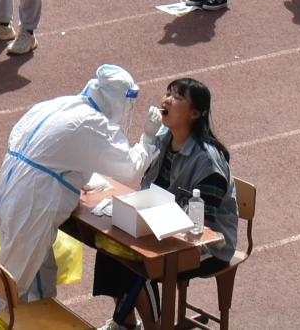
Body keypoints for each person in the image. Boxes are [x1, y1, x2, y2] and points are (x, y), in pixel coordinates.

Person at [0, 64, 145, 314]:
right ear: (116, 99)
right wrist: (150, 140)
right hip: (33, 202)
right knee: (12, 284)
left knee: (38, 275)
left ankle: (36, 320)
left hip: (10, 187)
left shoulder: (59, 104)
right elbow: (130, 169)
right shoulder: (91, 122)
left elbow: (49, 150)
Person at [90, 78, 238, 328]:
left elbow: (204, 225)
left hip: (208, 246)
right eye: (167, 93)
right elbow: (136, 172)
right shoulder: (162, 138)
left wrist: (151, 224)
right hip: (161, 227)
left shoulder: (207, 162)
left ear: (195, 113)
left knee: (140, 260)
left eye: (177, 97)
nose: (167, 100)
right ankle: (126, 322)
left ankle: (154, 326)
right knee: (110, 244)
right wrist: (146, 138)